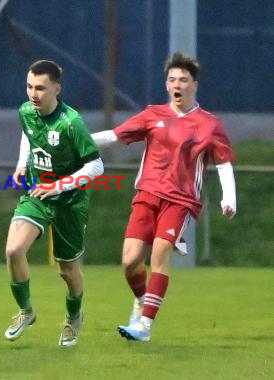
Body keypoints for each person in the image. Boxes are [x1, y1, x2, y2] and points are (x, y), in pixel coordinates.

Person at [91, 52, 237, 341]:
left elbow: (223, 163)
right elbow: (116, 135)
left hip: (180, 200)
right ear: (166, 84)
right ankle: (141, 298)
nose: (177, 84)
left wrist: (229, 197)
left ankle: (144, 326)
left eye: (183, 79)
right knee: (130, 262)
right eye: (172, 79)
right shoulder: (152, 114)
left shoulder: (209, 124)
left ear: (194, 84)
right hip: (147, 194)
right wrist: (77, 140)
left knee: (159, 254)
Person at [4, 60, 104, 347]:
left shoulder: (71, 123)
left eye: (40, 88)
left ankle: (73, 318)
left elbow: (96, 166)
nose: (33, 94)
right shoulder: (26, 111)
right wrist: (22, 163)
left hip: (69, 202)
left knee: (67, 270)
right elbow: (28, 133)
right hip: (37, 194)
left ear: (56, 89)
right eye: (29, 87)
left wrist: (59, 185)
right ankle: (26, 311)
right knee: (13, 250)